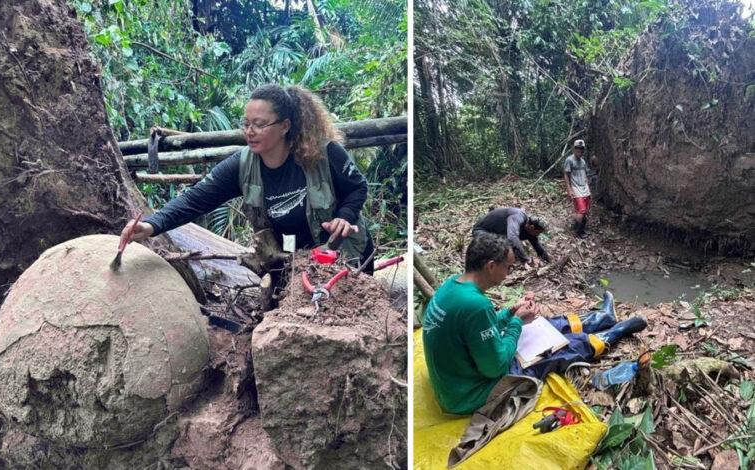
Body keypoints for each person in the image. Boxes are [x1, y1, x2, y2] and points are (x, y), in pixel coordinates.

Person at [120, 83, 374, 271]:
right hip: (291, 263)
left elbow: (357, 188)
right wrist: (152, 225)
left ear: (285, 126)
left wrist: (345, 216)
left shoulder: (324, 153)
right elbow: (195, 199)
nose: (249, 132)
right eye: (246, 124)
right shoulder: (242, 165)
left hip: (343, 257)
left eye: (259, 124)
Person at [422, 233, 646, 414]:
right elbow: (495, 367)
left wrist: (511, 313)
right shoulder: (475, 305)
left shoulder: (453, 286)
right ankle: (613, 333)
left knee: (542, 325)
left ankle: (602, 318)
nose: (509, 273)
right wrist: (517, 322)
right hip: (472, 394)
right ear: (491, 266)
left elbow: (478, 328)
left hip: (457, 382)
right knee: (556, 348)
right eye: (507, 267)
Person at [472, 207, 550, 267]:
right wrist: (527, 259)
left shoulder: (528, 229)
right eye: (538, 232)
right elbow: (512, 237)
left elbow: (537, 245)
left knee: (509, 248)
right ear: (532, 227)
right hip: (481, 231)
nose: (538, 235)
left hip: (497, 234)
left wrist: (547, 262)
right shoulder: (518, 216)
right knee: (501, 248)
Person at [564, 139, 592, 239]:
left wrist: (588, 189)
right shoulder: (569, 160)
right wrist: (569, 190)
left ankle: (582, 228)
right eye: (577, 148)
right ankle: (578, 232)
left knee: (586, 210)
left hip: (584, 188)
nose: (579, 150)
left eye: (581, 148)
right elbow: (566, 175)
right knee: (581, 211)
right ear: (574, 149)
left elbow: (585, 175)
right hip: (576, 188)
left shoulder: (583, 161)